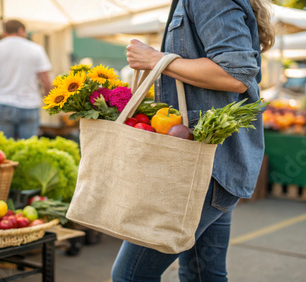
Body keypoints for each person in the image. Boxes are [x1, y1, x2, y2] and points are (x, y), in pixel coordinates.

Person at [112, 0, 275, 281]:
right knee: (202, 275)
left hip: (202, 168)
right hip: (214, 163)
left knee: (130, 276)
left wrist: (155, 59)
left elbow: (235, 74)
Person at [0, 20, 52, 139]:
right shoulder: (36, 49)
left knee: (3, 149)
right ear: (21, 30)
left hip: (4, 102)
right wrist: (51, 102)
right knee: (28, 149)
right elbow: (46, 82)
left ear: (4, 32)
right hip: (30, 104)